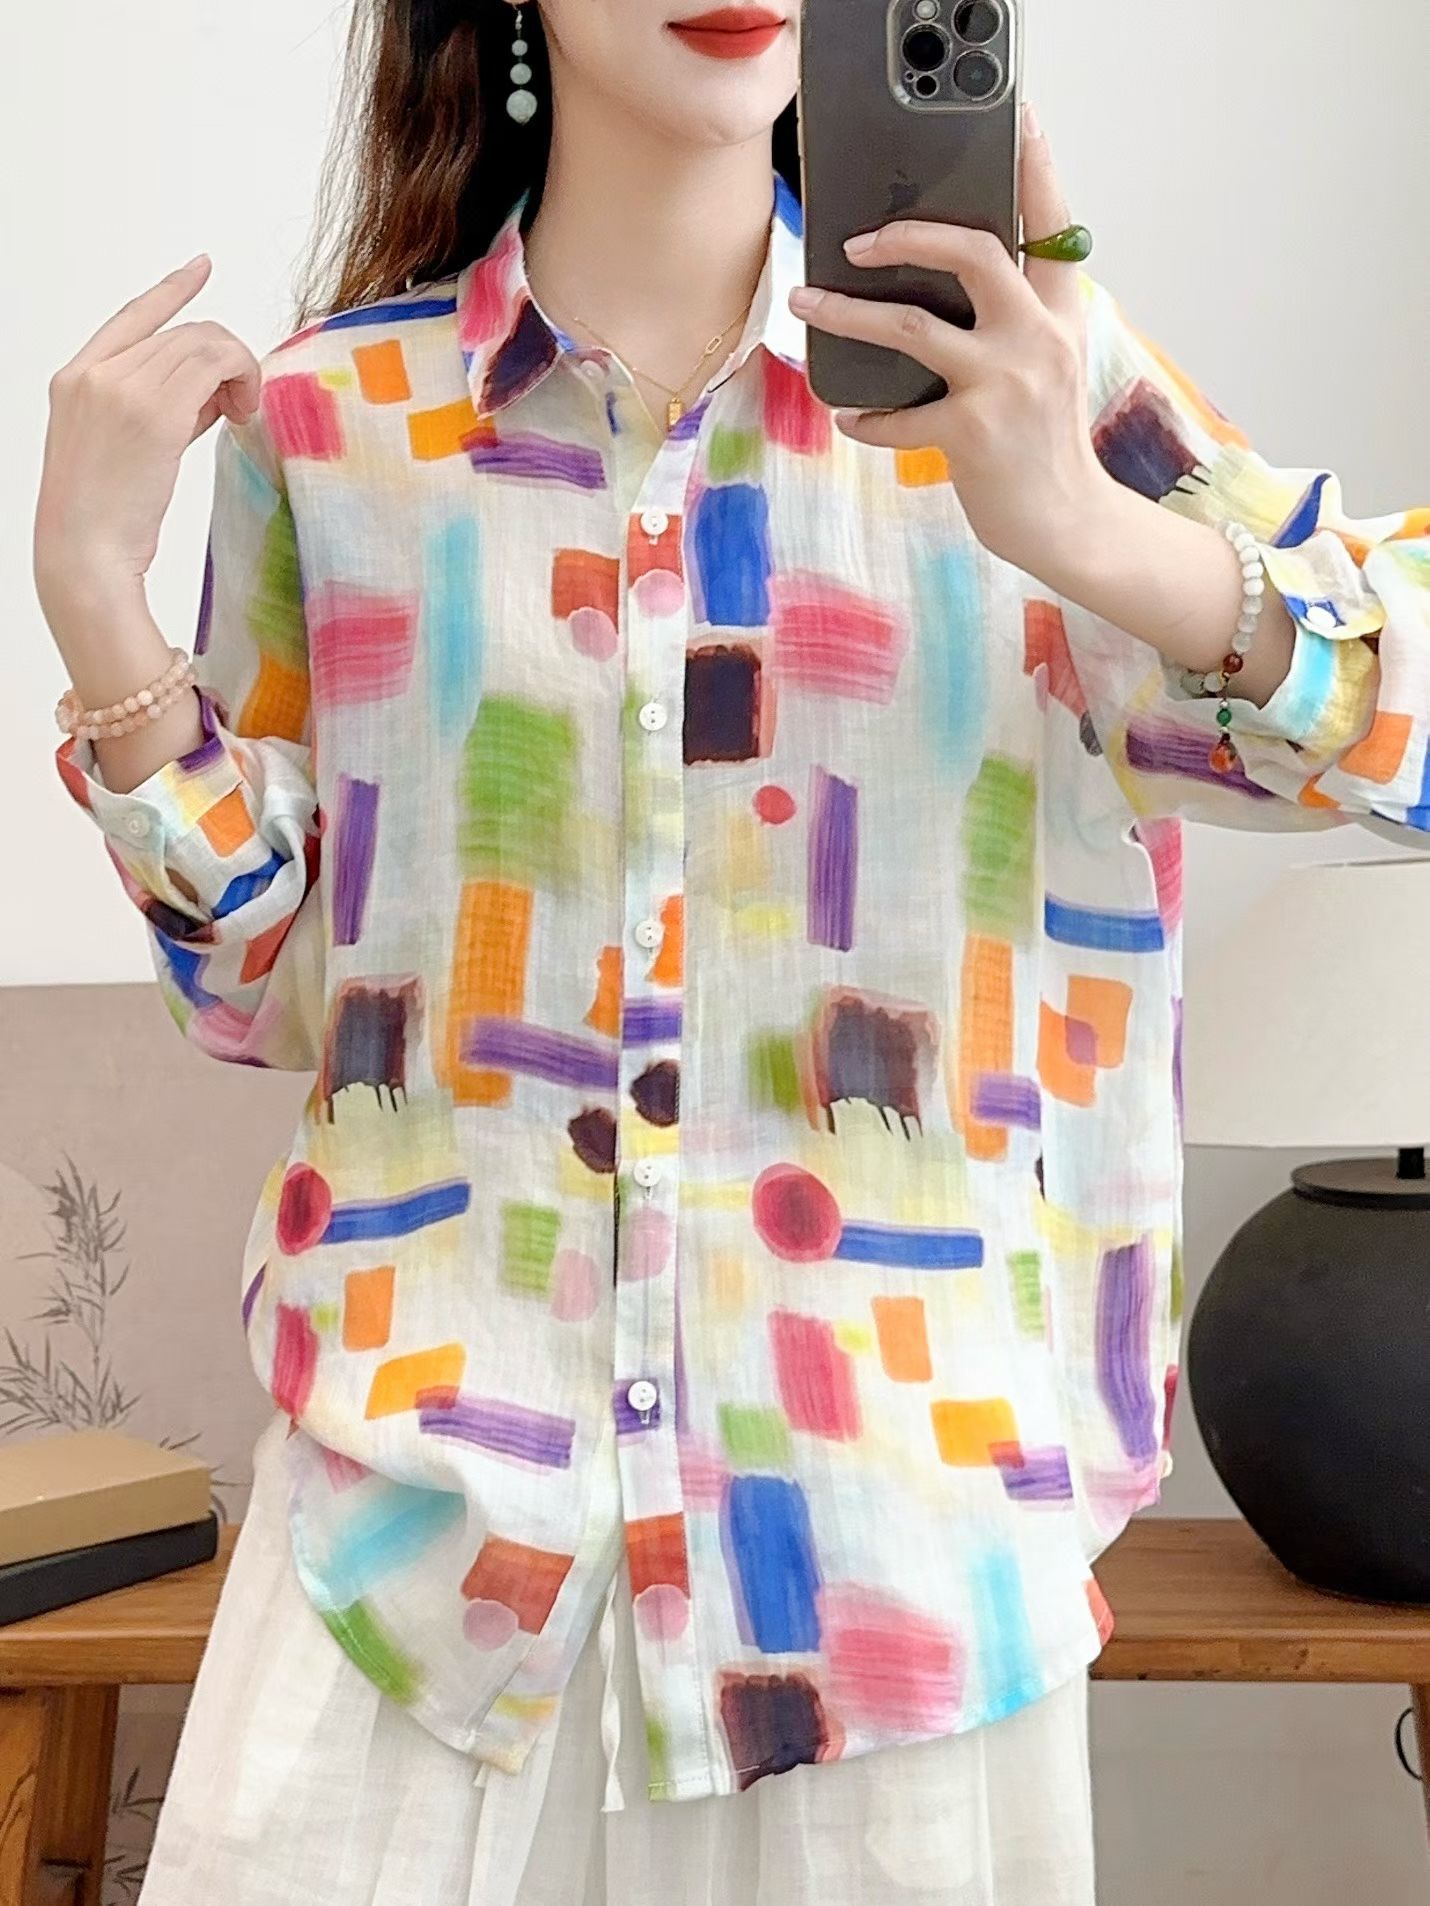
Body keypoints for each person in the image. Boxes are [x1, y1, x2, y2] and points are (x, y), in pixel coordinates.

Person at [30, 0, 1430, 1898]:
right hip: (415, 1575)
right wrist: (100, 607)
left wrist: (1087, 531)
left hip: (888, 1581)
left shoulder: (1026, 385)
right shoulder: (329, 425)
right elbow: (270, 987)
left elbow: (1390, 728)